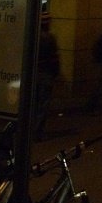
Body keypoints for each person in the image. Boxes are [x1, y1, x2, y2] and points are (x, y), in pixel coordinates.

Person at [33, 12, 60, 140]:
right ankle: (37, 131)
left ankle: (29, 130)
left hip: (34, 75)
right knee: (42, 105)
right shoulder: (49, 38)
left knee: (34, 103)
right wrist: (55, 73)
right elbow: (54, 58)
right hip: (45, 74)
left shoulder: (33, 36)